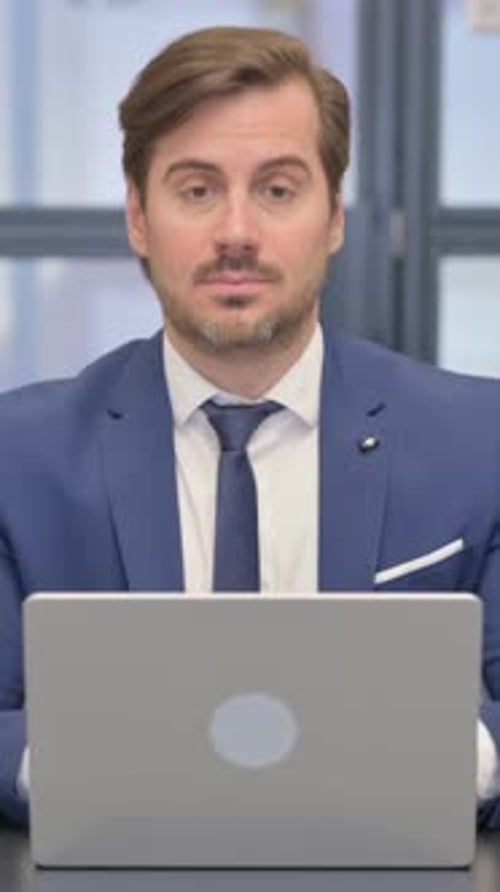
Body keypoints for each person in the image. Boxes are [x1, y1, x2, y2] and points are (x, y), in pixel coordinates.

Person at [1, 25, 500, 831]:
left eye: (277, 189)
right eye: (197, 190)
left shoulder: (484, 443)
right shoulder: (17, 459)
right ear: (138, 217)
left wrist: (413, 758)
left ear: (334, 216)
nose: (236, 232)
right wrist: (126, 771)